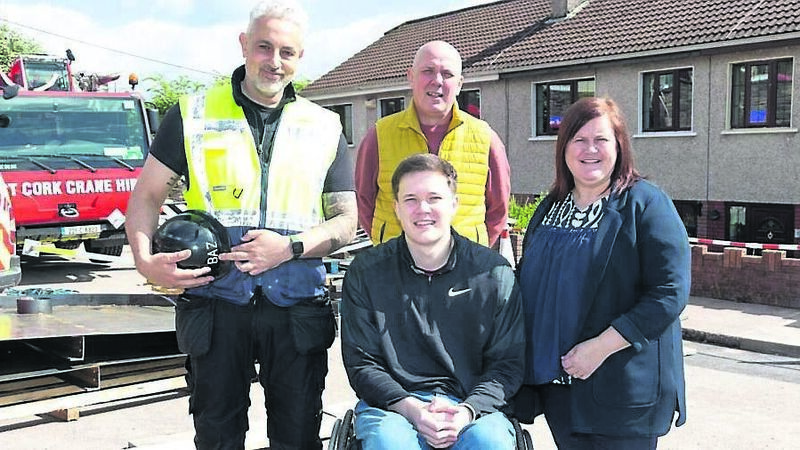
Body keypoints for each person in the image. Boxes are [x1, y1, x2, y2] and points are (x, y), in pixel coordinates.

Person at [125, 1, 357, 448]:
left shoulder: (324, 126)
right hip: (215, 303)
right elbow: (147, 196)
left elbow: (346, 221)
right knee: (217, 435)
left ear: (300, 57)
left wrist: (288, 247)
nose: (274, 61)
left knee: (297, 436)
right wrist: (144, 260)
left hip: (295, 307)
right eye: (264, 47)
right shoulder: (192, 113)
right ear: (244, 45)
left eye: (286, 52)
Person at [515, 97, 690, 449]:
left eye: (601, 140)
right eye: (578, 140)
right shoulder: (550, 207)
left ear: (619, 146)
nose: (589, 149)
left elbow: (669, 292)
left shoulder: (646, 204)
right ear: (564, 149)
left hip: (622, 390)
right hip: (559, 389)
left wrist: (600, 347)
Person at [341, 154, 525, 449]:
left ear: (454, 204)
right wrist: (410, 408)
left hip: (472, 406)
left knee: (489, 442)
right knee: (390, 443)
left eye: (434, 198)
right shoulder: (366, 273)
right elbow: (362, 363)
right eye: (411, 199)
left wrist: (467, 412)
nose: (423, 209)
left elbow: (507, 364)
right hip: (393, 408)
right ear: (396, 209)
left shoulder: (493, 274)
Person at [355, 40, 510, 248]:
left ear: (460, 84)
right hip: (394, 269)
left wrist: (473, 253)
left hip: (464, 270)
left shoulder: (485, 137)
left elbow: (498, 210)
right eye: (428, 71)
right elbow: (364, 202)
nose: (437, 81)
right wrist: (387, 248)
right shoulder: (379, 135)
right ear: (411, 76)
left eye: (447, 74)